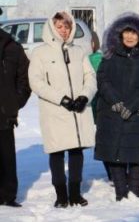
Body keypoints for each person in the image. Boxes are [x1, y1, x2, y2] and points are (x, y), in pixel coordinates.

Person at [30, 12, 98, 207]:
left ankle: (75, 193)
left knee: (77, 151)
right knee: (57, 152)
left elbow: (90, 77)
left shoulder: (79, 51)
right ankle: (61, 195)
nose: (64, 30)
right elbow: (36, 82)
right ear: (51, 27)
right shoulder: (40, 53)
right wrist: (62, 99)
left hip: (78, 110)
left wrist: (85, 96)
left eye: (67, 26)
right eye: (60, 26)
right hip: (56, 111)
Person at [95, 13, 139, 201]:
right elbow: (102, 79)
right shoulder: (110, 55)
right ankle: (120, 189)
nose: (130, 37)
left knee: (136, 150)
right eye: (127, 33)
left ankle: (136, 186)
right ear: (120, 35)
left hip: (138, 110)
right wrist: (115, 101)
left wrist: (131, 106)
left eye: (134, 33)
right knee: (116, 151)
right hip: (112, 109)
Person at [0, 13, 31, 207]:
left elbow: (24, 79)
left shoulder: (12, 47)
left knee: (6, 157)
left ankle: (8, 195)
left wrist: (14, 102)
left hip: (4, 113)